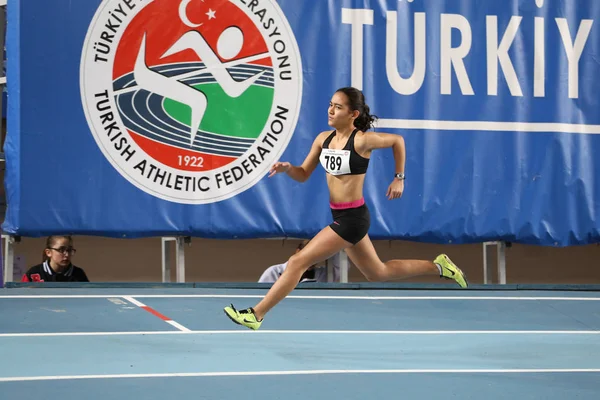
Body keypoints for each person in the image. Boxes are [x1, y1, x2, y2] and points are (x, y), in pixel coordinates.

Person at [224, 87, 467, 330]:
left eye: (338, 107)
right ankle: (438, 266)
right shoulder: (323, 139)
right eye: (331, 104)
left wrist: (399, 177)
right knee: (377, 273)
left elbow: (398, 141)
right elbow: (303, 174)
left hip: (352, 219)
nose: (331, 110)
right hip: (341, 215)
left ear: (353, 114)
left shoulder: (361, 140)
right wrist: (288, 168)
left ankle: (256, 314)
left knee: (298, 261)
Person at [258, 239, 340, 284]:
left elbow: (340, 267)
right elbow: (260, 296)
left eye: (317, 257)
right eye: (309, 255)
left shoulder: (323, 274)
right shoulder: (274, 272)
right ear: (298, 252)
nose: (312, 260)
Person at [21, 235, 89, 282]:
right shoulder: (33, 273)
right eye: (61, 250)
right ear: (48, 252)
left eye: (69, 250)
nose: (67, 254)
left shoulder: (78, 274)